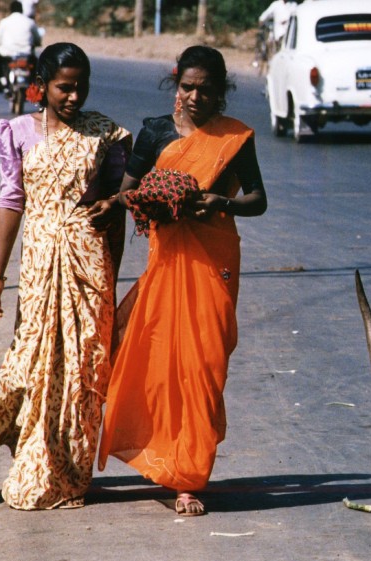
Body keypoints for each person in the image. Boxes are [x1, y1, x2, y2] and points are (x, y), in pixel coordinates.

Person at [93, 45, 268, 517]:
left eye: (206, 90)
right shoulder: (154, 132)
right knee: (160, 364)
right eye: (187, 87)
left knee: (204, 367)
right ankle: (175, 473)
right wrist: (141, 201)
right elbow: (128, 193)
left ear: (221, 93)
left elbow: (257, 199)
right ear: (177, 85)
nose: (195, 97)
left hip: (214, 259)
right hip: (167, 260)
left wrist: (219, 203)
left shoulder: (235, 138)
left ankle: (190, 474)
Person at [0, 42, 131, 510]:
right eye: (65, 88)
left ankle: (72, 472)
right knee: (33, 363)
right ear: (42, 87)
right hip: (41, 263)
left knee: (83, 367)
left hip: (89, 264)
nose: (74, 97)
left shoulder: (104, 134)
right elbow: (11, 202)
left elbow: (115, 212)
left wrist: (112, 274)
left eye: (81, 87)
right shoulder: (19, 131)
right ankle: (35, 458)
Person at [0, 1, 42, 95]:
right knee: (36, 66)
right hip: (26, 53)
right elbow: (37, 38)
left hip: (7, 53)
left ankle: (2, 83)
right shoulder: (30, 22)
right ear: (22, 10)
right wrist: (37, 43)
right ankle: (35, 85)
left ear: (10, 10)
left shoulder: (4, 22)